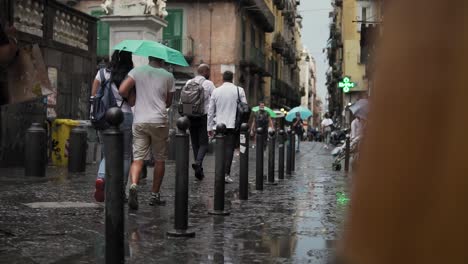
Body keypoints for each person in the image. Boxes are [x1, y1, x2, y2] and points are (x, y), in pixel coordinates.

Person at [119, 56, 175, 210]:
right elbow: (168, 102)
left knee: (137, 159)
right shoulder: (168, 76)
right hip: (159, 121)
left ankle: (134, 185)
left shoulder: (137, 71)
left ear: (149, 58)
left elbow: (122, 90)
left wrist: (133, 97)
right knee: (159, 159)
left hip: (140, 120)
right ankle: (154, 195)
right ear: (162, 60)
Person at [92, 50, 134, 202]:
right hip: (125, 116)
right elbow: (132, 102)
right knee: (125, 155)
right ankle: (120, 191)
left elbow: (94, 96)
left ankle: (101, 178)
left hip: (104, 116)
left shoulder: (101, 74)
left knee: (106, 152)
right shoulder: (130, 75)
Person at [207, 71, 247, 184]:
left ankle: (219, 172)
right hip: (232, 125)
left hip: (219, 125)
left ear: (223, 78)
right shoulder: (239, 90)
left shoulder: (216, 91)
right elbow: (245, 108)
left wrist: (209, 128)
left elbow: (210, 111)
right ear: (232, 78)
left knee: (220, 149)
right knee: (229, 150)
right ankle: (226, 174)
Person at [185, 64, 215, 181]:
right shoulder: (209, 84)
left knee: (195, 143)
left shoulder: (188, 82)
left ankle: (199, 171)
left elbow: (185, 99)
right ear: (206, 72)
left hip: (191, 116)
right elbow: (215, 98)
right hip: (203, 116)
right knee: (204, 144)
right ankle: (198, 163)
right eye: (209, 71)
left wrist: (187, 115)